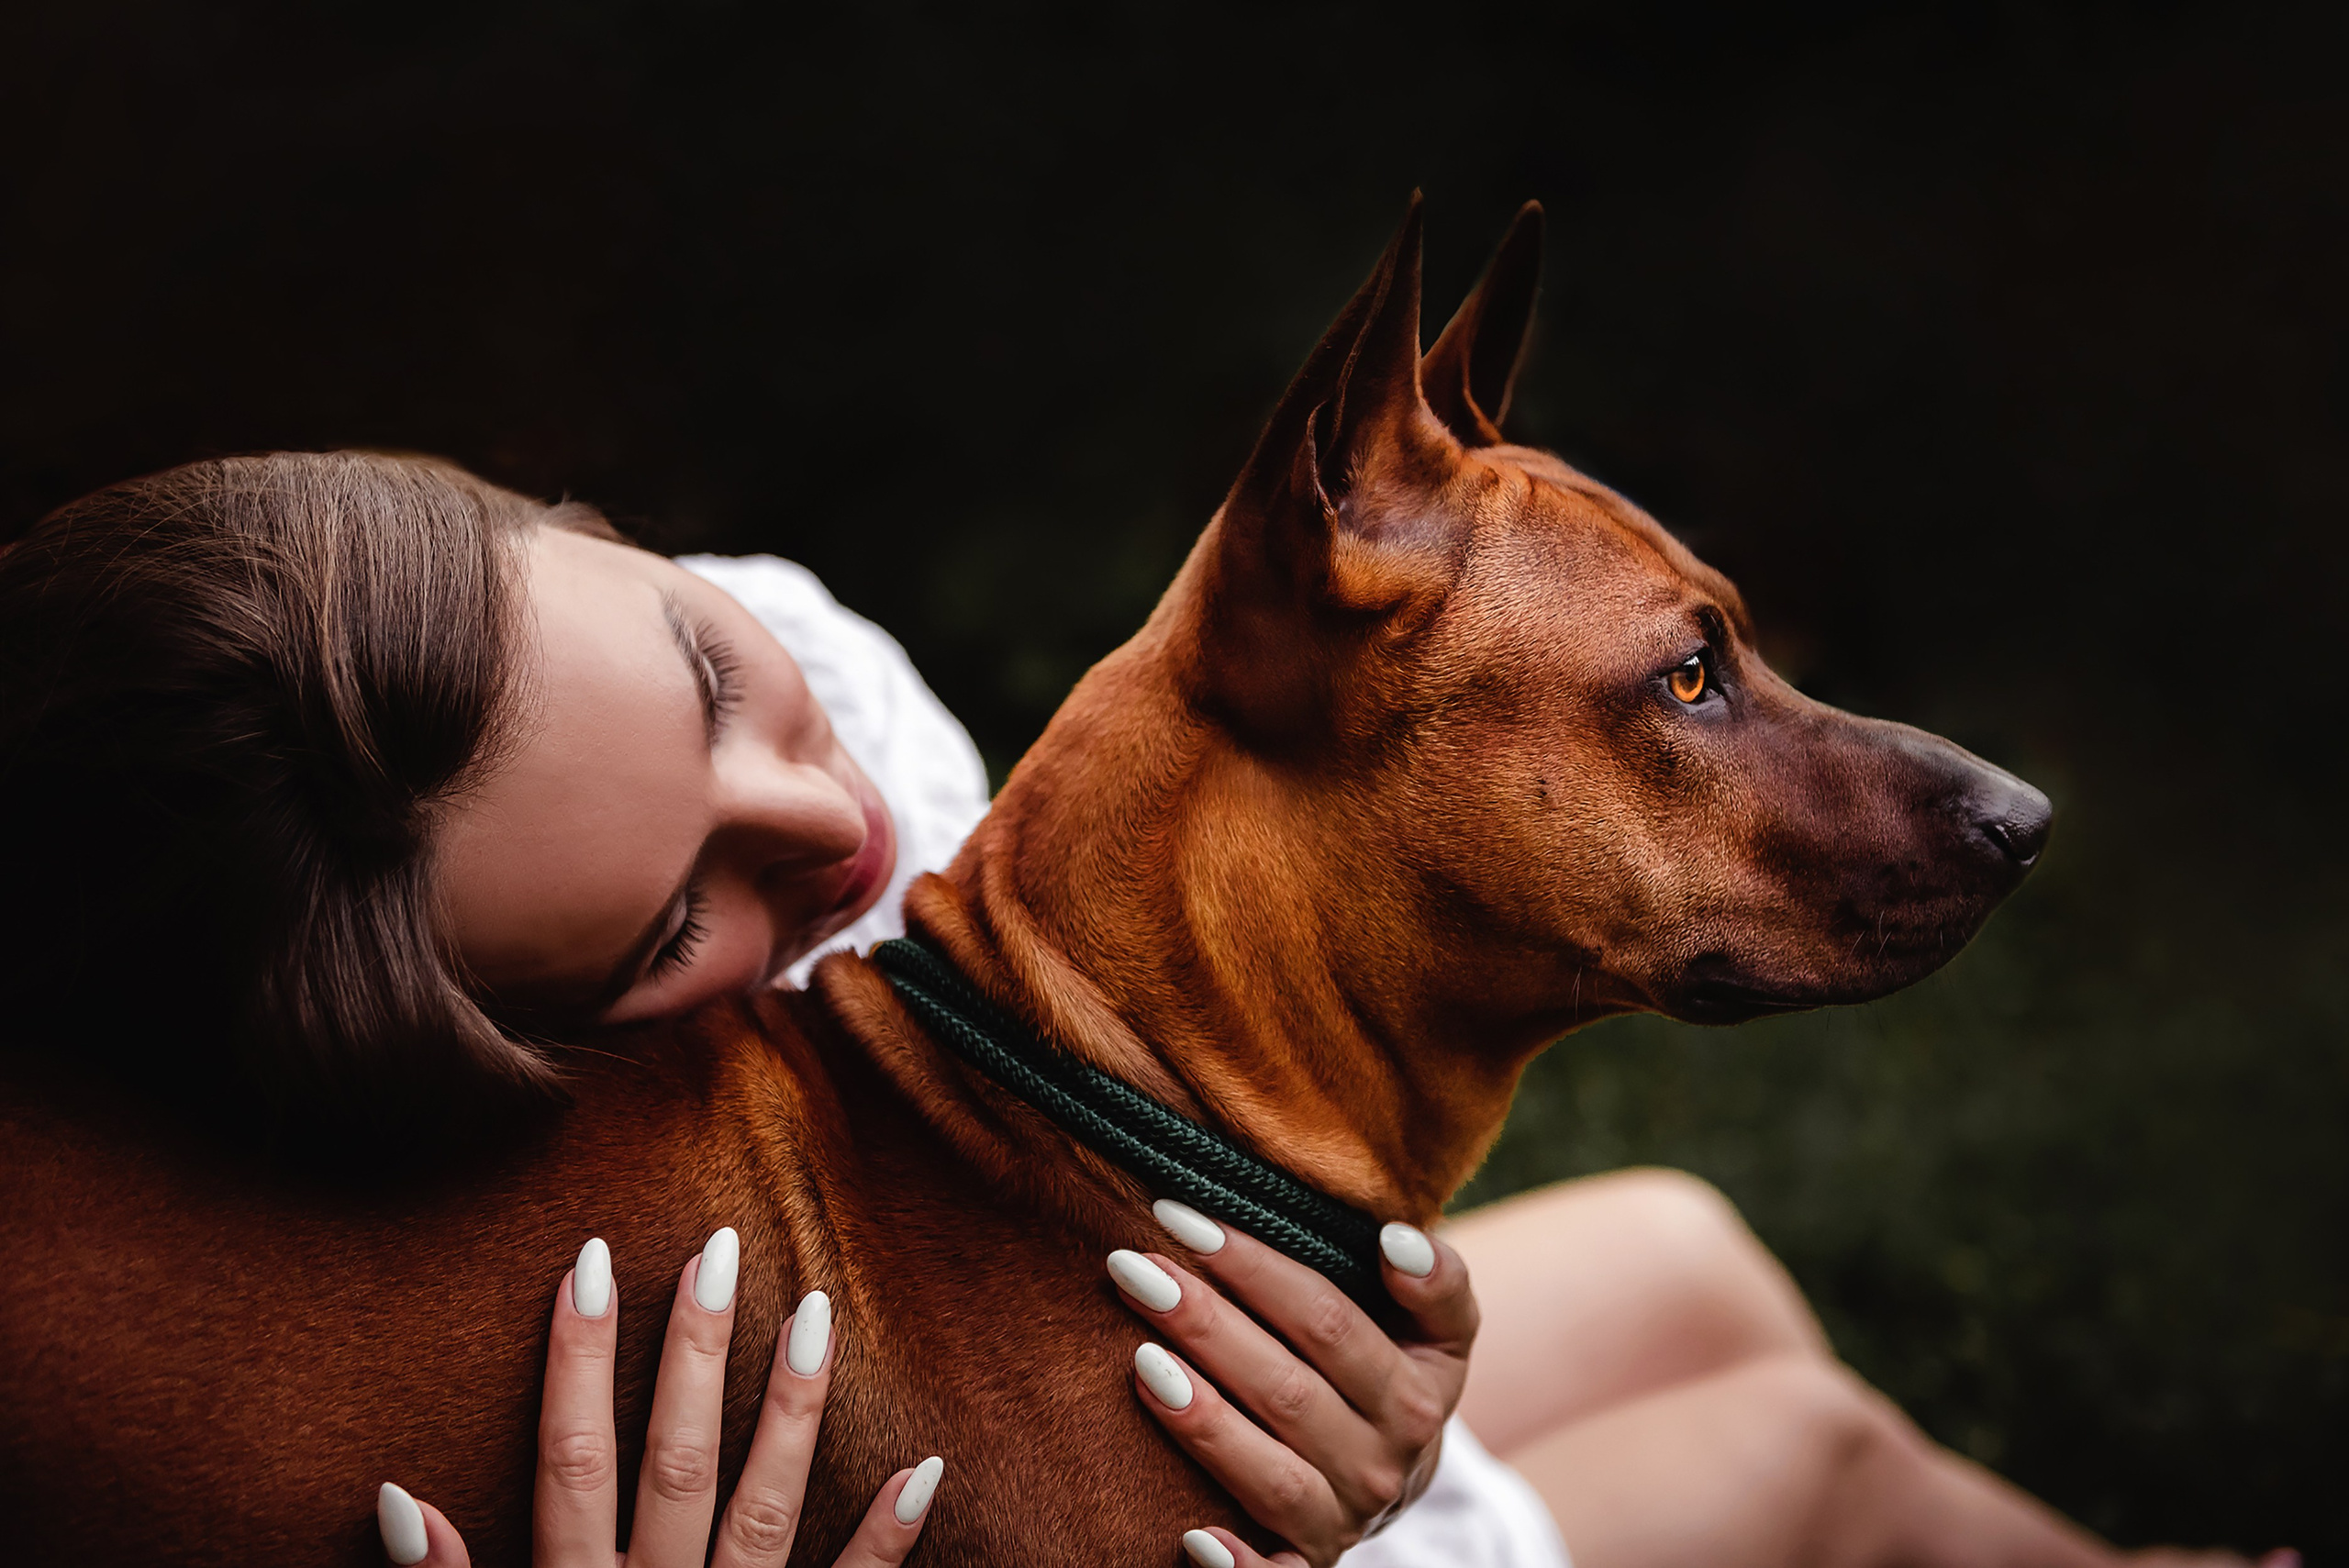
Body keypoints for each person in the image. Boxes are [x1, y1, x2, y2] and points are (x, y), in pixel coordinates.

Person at [0, 451, 2285, 1568]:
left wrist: (1384, 1441)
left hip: (1204, 1370)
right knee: (1801, 1468)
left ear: (589, 530)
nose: (821, 838)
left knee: (1694, 1255)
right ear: (522, 1053)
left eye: (708, 672)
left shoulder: (801, 684)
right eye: (663, 930)